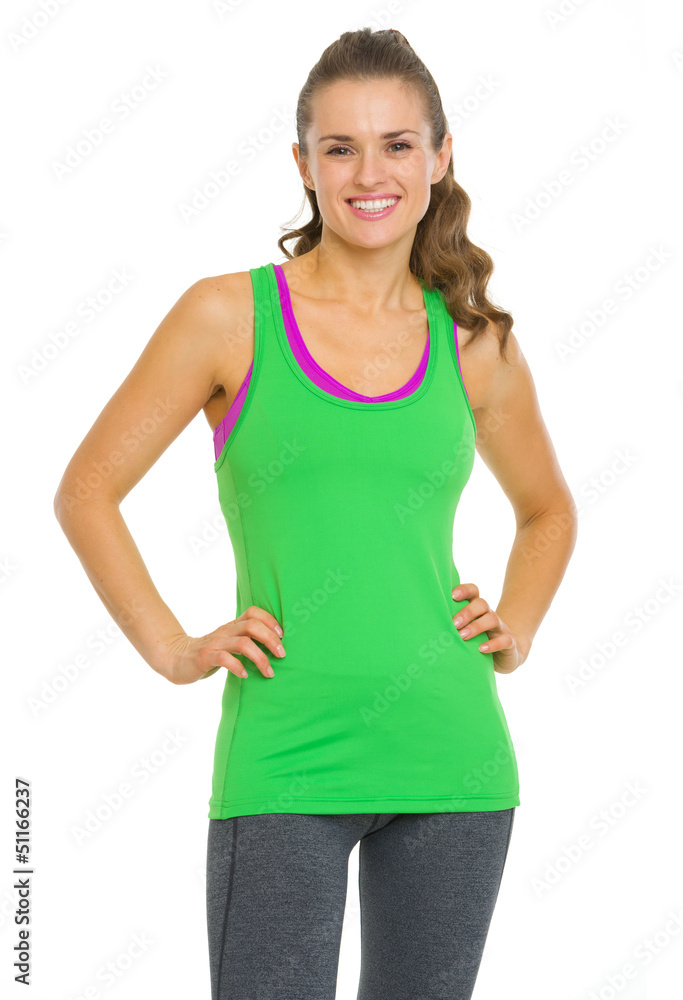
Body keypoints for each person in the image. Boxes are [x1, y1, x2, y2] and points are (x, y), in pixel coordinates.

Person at [53, 26, 578, 1000]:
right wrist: (173, 649)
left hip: (453, 757)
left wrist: (516, 629)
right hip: (284, 754)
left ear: (439, 157)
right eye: (340, 148)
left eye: (396, 144)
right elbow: (87, 490)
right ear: (303, 164)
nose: (368, 173)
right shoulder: (227, 316)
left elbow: (546, 510)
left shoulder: (473, 341)